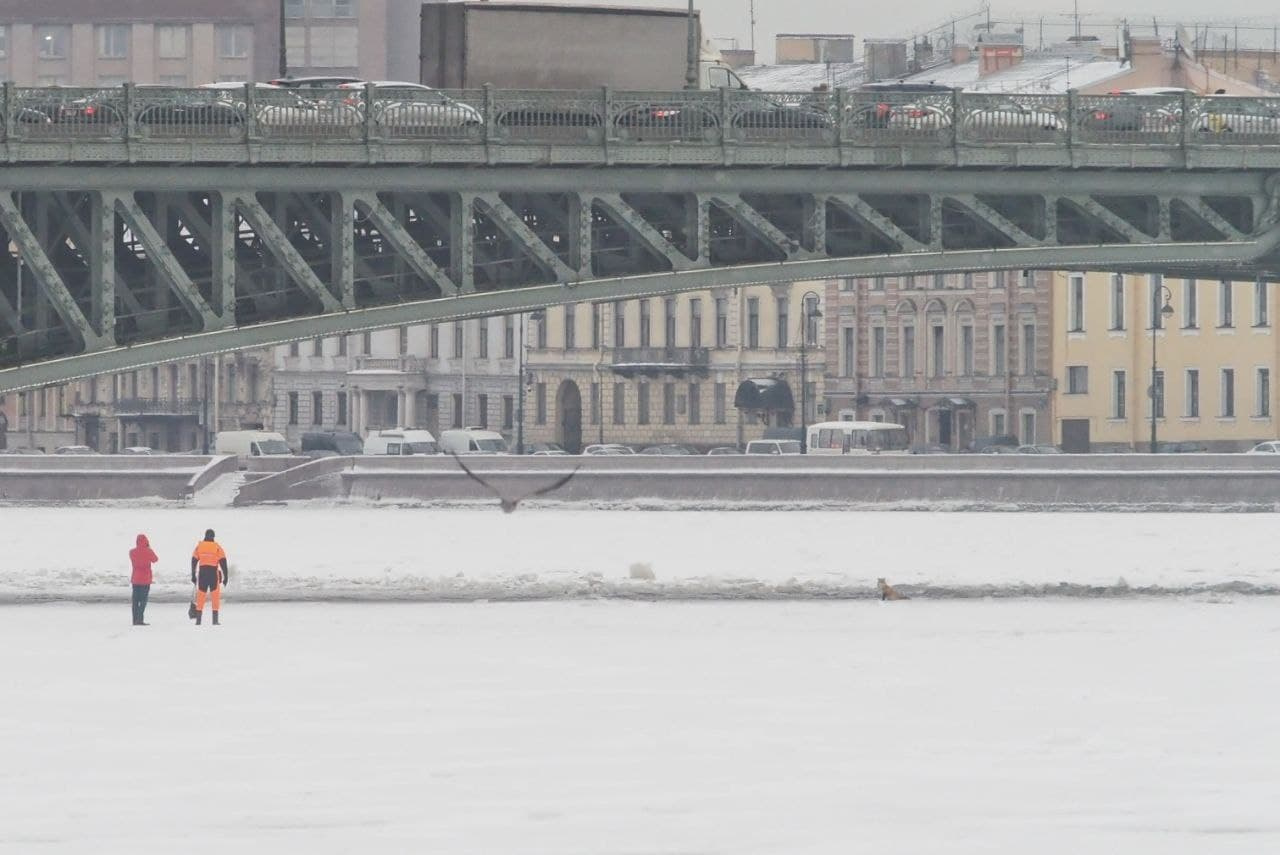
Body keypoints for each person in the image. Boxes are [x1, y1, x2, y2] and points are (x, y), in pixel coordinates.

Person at [190, 529, 229, 626]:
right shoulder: (217, 547)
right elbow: (223, 562)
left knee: (201, 596)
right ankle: (215, 621)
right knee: (215, 597)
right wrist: (226, 576)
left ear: (205, 536)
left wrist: (193, 575)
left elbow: (194, 561)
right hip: (213, 575)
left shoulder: (200, 546)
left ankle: (198, 621)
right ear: (213, 537)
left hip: (202, 574)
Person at [129, 534, 158, 626]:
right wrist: (148, 548)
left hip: (135, 579)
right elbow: (155, 559)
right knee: (143, 600)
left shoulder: (132, 552)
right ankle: (140, 619)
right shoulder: (148, 551)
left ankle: (134, 619)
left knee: (135, 600)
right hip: (145, 580)